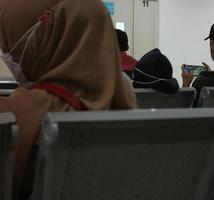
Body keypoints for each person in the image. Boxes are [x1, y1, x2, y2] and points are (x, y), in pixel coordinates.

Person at [0, 0, 136, 199]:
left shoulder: (12, 119)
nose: (8, 55)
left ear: (43, 39)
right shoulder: (124, 96)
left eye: (10, 46)